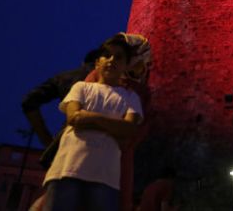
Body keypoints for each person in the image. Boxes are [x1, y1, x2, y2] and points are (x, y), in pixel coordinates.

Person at [42, 33, 144, 211]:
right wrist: (112, 126)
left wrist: (91, 117)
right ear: (97, 62)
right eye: (107, 55)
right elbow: (74, 118)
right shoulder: (81, 87)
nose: (112, 60)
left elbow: (129, 129)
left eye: (119, 57)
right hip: (67, 169)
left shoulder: (131, 97)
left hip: (105, 177)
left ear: (127, 65)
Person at [84, 33, 153, 211]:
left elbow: (139, 125)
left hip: (119, 151)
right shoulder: (99, 80)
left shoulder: (138, 87)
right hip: (90, 149)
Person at [22, 47, 103, 148]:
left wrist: (47, 140)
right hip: (101, 144)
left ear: (83, 62)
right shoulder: (114, 82)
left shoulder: (64, 78)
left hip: (66, 141)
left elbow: (28, 101)